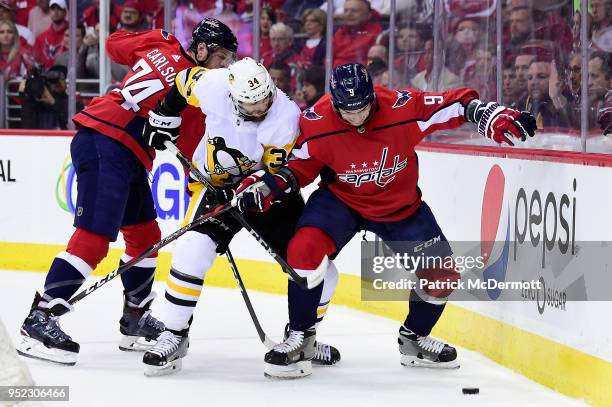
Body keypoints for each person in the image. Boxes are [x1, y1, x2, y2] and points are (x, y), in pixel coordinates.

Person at [232, 63, 537, 378]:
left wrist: (486, 112)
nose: (356, 116)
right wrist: (268, 185)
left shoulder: (402, 106)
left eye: (362, 107)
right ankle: (300, 338)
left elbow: (454, 103)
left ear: (372, 96)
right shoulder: (316, 121)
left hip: (399, 207)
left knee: (443, 274)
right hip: (341, 202)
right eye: (347, 111)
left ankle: (415, 338)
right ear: (334, 103)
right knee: (303, 250)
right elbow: (301, 167)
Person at [17, 19, 238, 366]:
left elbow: (114, 45)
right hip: (108, 144)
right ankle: (40, 318)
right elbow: (193, 153)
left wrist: (151, 39)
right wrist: (212, 190)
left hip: (121, 146)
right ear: (200, 50)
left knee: (145, 236)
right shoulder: (196, 93)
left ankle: (134, 319)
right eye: (221, 57)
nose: (225, 67)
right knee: (93, 237)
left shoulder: (163, 44)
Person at [140, 57, 340, 376]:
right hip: (216, 188)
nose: (261, 107)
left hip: (267, 194)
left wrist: (253, 187)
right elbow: (181, 81)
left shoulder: (285, 116)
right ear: (233, 97)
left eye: (265, 99)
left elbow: (276, 172)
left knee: (317, 270)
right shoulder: (213, 85)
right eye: (251, 104)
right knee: (191, 250)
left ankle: (304, 336)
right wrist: (164, 115)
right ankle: (174, 333)